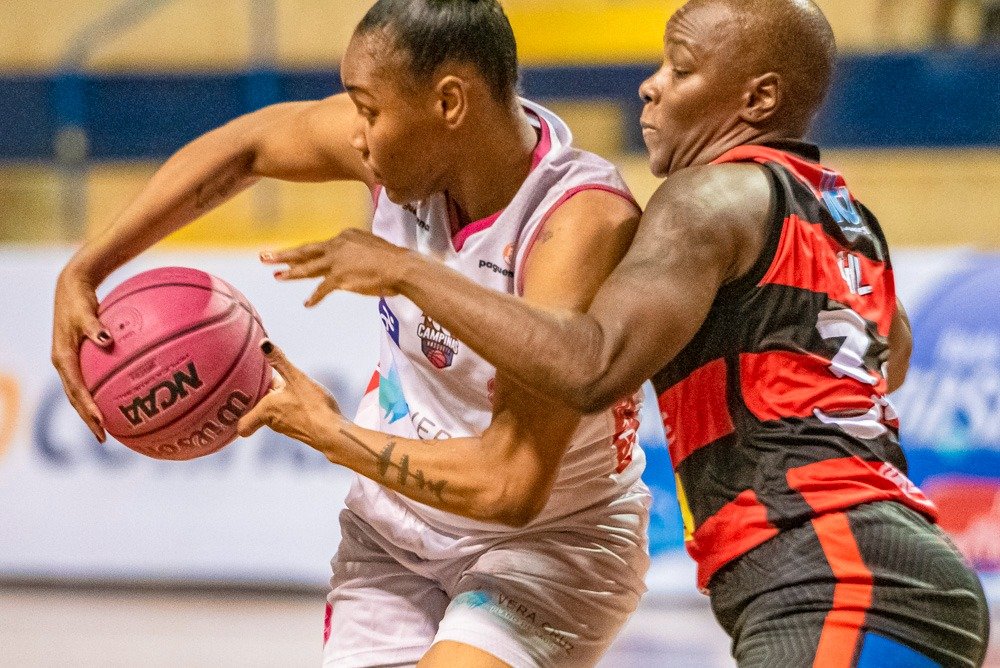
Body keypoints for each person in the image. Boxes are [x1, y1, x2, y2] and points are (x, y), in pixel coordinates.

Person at [276, 0, 992, 665]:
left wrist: (408, 272)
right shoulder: (845, 216)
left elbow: (590, 368)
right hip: (901, 565)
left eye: (680, 70)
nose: (650, 88)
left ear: (758, 99)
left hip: (832, 570)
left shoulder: (701, 197)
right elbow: (887, 359)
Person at [51, 1, 652, 666]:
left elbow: (510, 486)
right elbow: (245, 146)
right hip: (392, 531)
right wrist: (85, 269)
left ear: (449, 103)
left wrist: (333, 429)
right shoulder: (406, 154)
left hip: (546, 545)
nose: (357, 135)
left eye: (369, 110)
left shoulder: (575, 226)